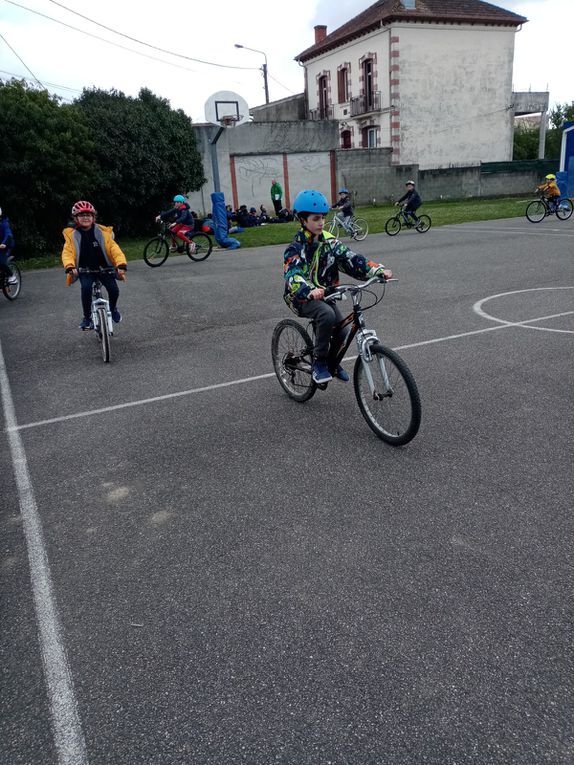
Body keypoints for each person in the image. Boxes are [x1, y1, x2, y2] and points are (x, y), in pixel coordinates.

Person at [283, 189, 392, 384]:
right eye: (316, 219)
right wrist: (308, 290)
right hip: (300, 296)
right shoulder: (296, 247)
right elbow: (293, 273)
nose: (321, 223)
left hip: (326, 293)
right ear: (302, 220)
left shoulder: (329, 241)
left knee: (342, 331)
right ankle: (319, 362)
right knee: (327, 315)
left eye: (323, 218)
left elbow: (351, 259)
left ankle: (332, 362)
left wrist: (376, 270)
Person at [61, 200, 127, 331]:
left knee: (114, 290)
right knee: (85, 288)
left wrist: (121, 264)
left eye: (89, 215)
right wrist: (70, 266)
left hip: (105, 269)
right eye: (82, 215)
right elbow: (67, 252)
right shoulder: (72, 236)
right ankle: (87, 318)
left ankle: (113, 308)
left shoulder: (102, 233)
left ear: (93, 217)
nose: (86, 217)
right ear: (75, 218)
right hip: (85, 270)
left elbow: (115, 249)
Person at [0, 206, 18, 285]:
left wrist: (4, 243)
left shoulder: (4, 223)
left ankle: (12, 276)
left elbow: (8, 234)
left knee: (1, 262)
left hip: (5, 246)